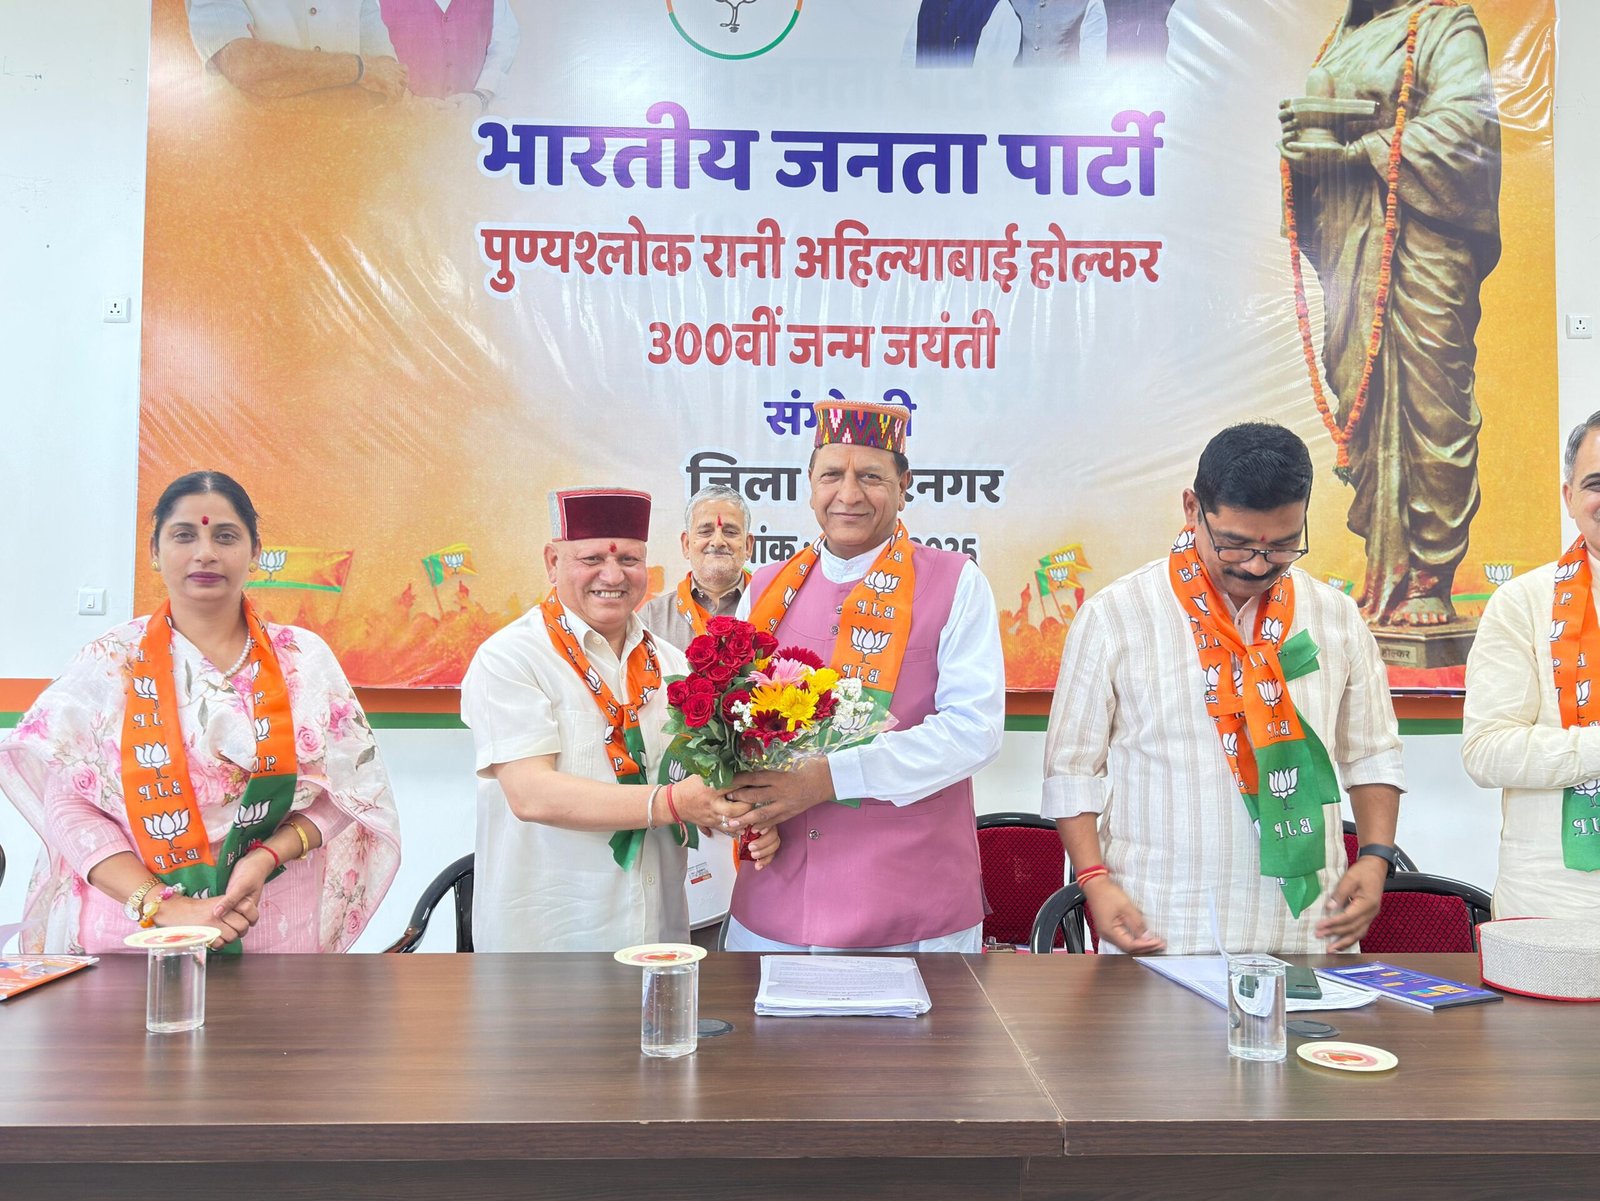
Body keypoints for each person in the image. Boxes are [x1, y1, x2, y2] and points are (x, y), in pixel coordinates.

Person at [0, 471, 401, 954]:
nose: (205, 552)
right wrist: (162, 905)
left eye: (225, 536)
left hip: (268, 918)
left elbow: (349, 789)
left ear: (255, 552)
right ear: (155, 551)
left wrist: (265, 857)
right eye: (184, 535)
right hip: (132, 931)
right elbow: (69, 804)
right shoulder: (110, 661)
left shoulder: (303, 659)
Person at [1042, 422, 1404, 954]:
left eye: (1283, 546)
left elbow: (1372, 752)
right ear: (1193, 509)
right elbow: (1072, 769)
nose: (1257, 566)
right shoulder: (1117, 616)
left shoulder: (1335, 616)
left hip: (1310, 929)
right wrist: (1093, 879)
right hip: (1163, 924)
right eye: (1234, 545)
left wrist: (1375, 856)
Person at [723, 400, 1006, 953]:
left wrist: (832, 777)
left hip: (910, 907)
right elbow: (732, 726)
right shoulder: (764, 589)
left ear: (904, 486)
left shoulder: (956, 582)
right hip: (775, 900)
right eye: (832, 474)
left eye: (871, 477)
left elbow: (974, 731)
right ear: (810, 485)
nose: (848, 494)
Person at [462, 488, 777, 952]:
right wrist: (673, 803)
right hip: (549, 940)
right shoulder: (511, 658)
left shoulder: (673, 665)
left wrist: (744, 816)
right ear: (552, 562)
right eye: (591, 559)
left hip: (659, 936)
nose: (612, 576)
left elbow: (701, 780)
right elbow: (530, 793)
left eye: (629, 560)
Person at [1279, 0, 1500, 626]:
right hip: (1352, 246)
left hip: (1425, 246)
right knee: (1362, 396)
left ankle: (1429, 576)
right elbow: (1323, 141)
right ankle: (1384, 569)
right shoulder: (1342, 38)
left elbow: (1467, 128)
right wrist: (1303, 150)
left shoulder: (1444, 26)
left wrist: (1359, 153)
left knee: (1435, 406)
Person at [1462, 412, 1600, 921]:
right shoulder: (1523, 602)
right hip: (1553, 906)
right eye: (1596, 484)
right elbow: (1486, 751)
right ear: (1569, 497)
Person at [186, 0, 409, 102]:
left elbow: (387, 73)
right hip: (252, 154)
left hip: (346, 148)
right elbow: (246, 66)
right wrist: (359, 68)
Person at [639, 484, 755, 653]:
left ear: (748, 546)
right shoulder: (652, 617)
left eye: (730, 532)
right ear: (686, 544)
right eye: (705, 531)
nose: (718, 542)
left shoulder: (771, 610)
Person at [377, 0, 521, 108]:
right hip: (399, 125)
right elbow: (374, 56)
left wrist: (481, 95)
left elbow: (504, 43)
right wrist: (406, 101)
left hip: (467, 125)